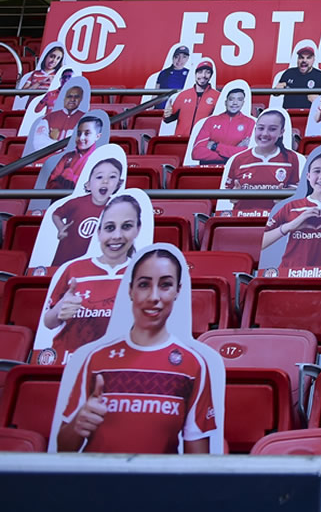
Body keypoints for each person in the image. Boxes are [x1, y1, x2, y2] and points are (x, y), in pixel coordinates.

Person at [56, 249, 218, 453]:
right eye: (144, 285)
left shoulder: (193, 364)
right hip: (97, 474)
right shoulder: (97, 358)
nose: (154, 297)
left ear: (178, 291)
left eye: (165, 285)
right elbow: (63, 447)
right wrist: (78, 425)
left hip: (160, 475)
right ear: (130, 290)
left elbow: (197, 460)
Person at [40, 195, 142, 364]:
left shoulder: (142, 274)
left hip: (117, 365)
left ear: (138, 229)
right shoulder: (74, 269)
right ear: (99, 232)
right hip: (68, 364)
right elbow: (48, 322)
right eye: (109, 228)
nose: (117, 235)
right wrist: (60, 308)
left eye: (126, 226)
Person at [46, 158, 124, 270]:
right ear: (88, 185)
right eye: (99, 177)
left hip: (93, 263)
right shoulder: (76, 202)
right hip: (64, 260)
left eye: (112, 177)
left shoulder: (115, 208)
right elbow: (56, 214)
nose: (105, 181)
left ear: (118, 185)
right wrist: (61, 228)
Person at [224, 110, 302, 217]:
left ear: (281, 132)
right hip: (243, 220)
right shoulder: (238, 159)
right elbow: (229, 194)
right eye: (261, 128)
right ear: (255, 130)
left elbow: (295, 192)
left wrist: (285, 198)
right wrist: (234, 196)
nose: (265, 134)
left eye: (272, 129)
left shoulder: (292, 158)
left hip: (278, 220)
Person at [191, 88, 255, 165]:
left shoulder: (250, 123)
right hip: (209, 169)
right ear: (225, 102)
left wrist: (215, 146)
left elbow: (245, 154)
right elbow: (197, 153)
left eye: (239, 99)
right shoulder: (211, 121)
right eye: (231, 99)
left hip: (235, 169)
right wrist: (232, 155)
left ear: (243, 103)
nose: (235, 103)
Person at [46, 116, 104, 190]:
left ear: (97, 136)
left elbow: (93, 187)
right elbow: (51, 183)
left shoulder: (99, 160)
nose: (81, 138)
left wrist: (68, 177)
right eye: (79, 133)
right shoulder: (67, 157)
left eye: (87, 133)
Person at [163, 60, 218, 135]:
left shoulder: (217, 97)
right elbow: (168, 119)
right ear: (195, 74)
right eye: (200, 72)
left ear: (211, 75)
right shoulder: (183, 95)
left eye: (207, 72)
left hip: (202, 141)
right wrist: (167, 114)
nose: (203, 75)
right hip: (182, 140)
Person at [275, 45, 321, 109]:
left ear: (313, 60)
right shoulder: (289, 73)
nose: (304, 60)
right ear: (297, 59)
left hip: (311, 114)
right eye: (301, 57)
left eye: (308, 58)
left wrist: (318, 100)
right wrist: (277, 90)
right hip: (290, 113)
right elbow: (276, 93)